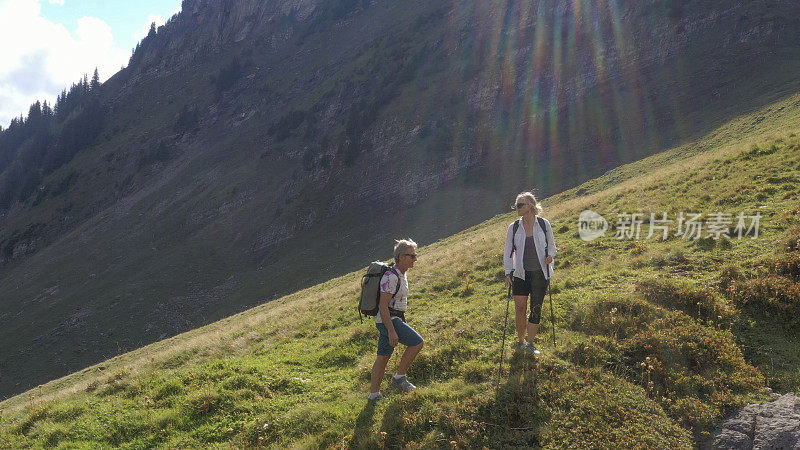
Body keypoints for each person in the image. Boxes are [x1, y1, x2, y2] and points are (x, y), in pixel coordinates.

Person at [367, 239, 424, 401]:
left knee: (383, 356)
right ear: (401, 257)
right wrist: (391, 330)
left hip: (392, 319)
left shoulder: (401, 274)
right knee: (417, 342)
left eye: (415, 255)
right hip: (389, 319)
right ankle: (399, 378)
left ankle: (374, 395)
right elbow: (383, 306)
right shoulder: (391, 277)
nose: (415, 259)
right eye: (412, 256)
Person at [503, 191, 557, 355]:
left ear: (530, 206)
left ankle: (531, 343)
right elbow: (507, 252)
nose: (517, 208)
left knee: (536, 308)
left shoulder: (543, 224)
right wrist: (507, 273)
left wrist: (550, 256)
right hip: (520, 274)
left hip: (540, 273)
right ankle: (520, 341)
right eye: (516, 205)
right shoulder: (514, 227)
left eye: (520, 205)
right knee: (520, 308)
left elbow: (552, 246)